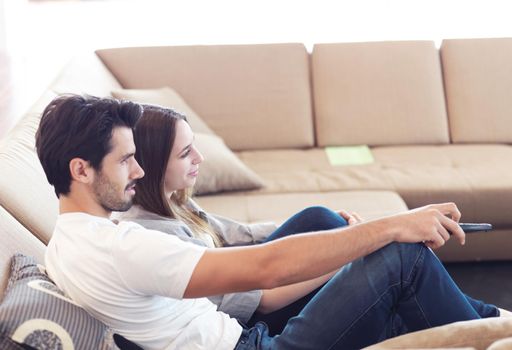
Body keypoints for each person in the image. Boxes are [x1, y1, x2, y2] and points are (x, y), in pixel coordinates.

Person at [36, 94, 501, 350]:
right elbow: (264, 271)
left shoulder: (71, 242)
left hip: (249, 338)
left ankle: (488, 326)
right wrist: (389, 227)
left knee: (374, 247)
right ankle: (492, 331)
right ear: (81, 170)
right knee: (401, 257)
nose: (138, 172)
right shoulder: (125, 247)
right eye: (125, 162)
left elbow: (246, 251)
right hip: (255, 347)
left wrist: (369, 234)